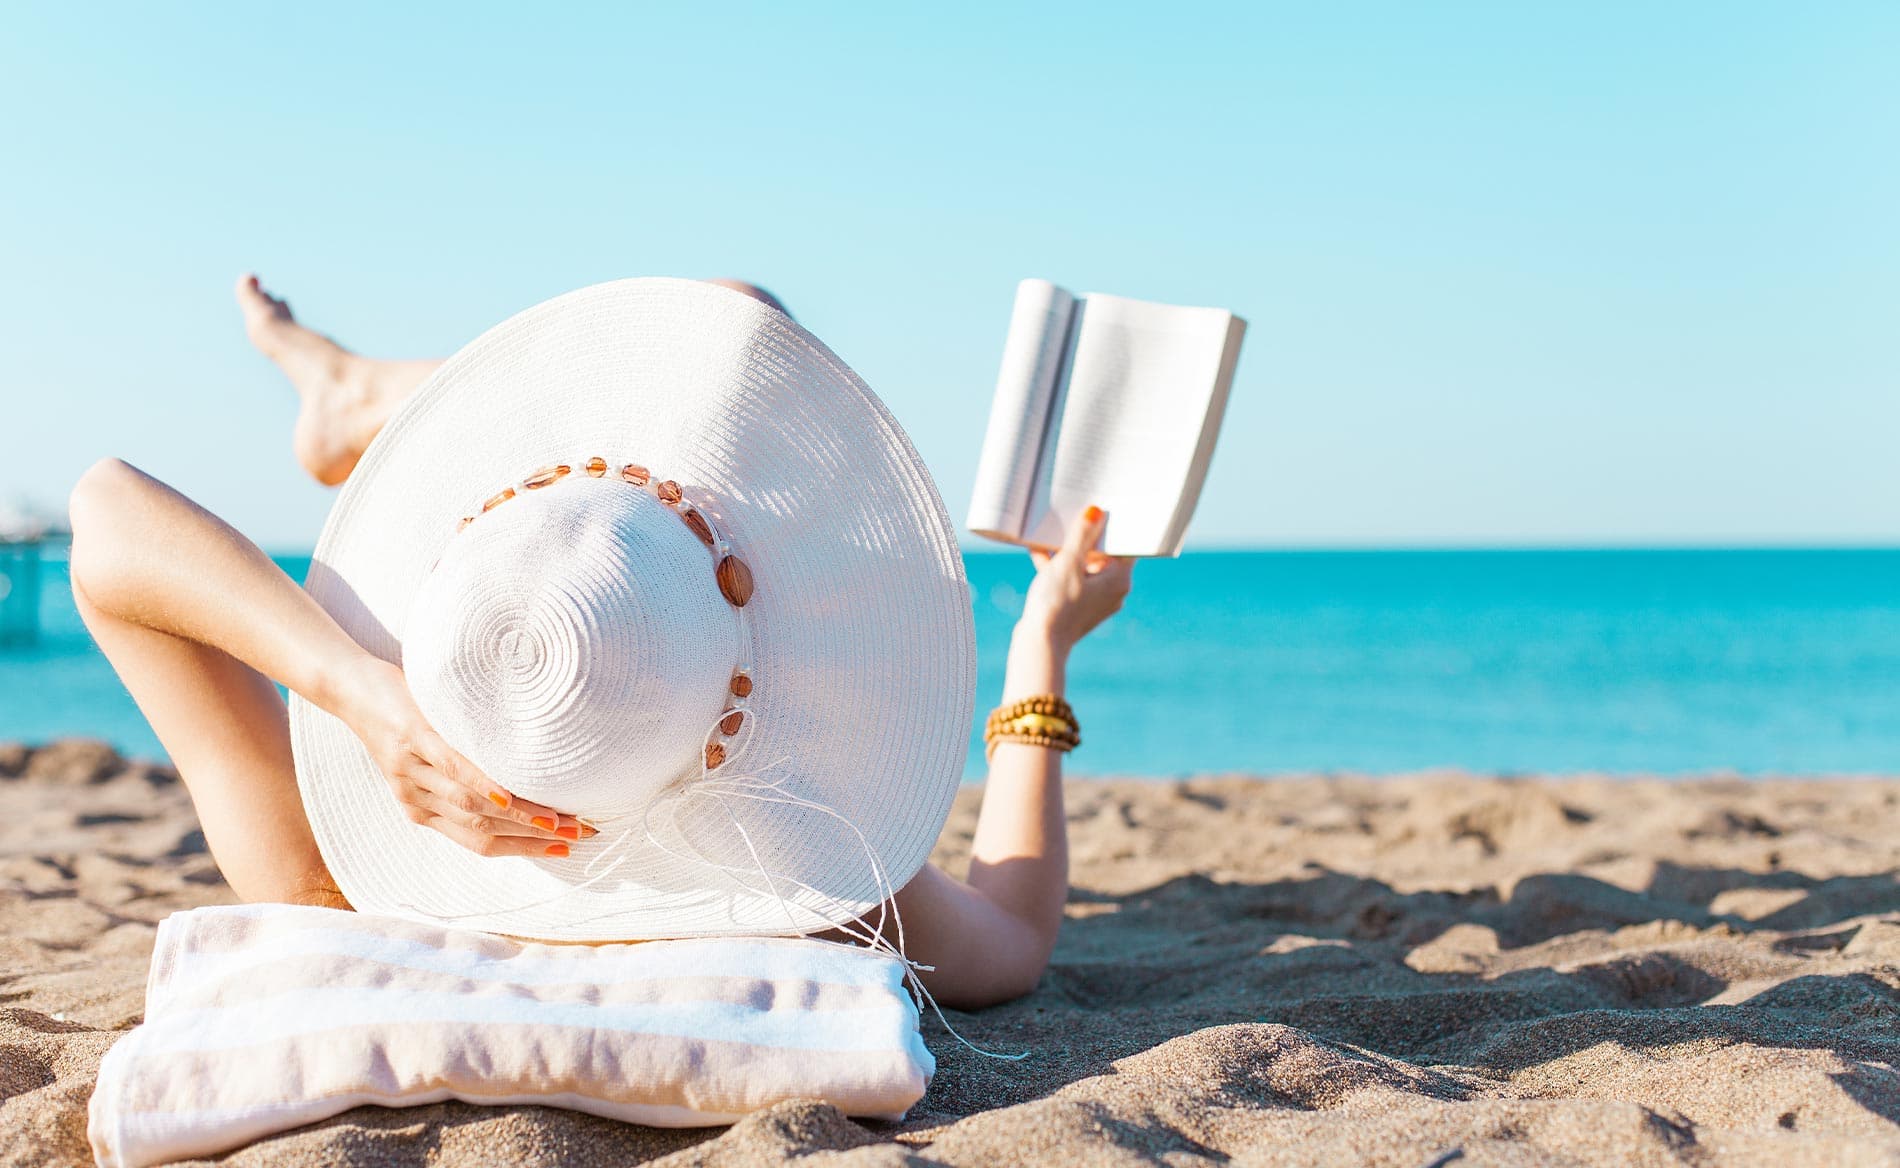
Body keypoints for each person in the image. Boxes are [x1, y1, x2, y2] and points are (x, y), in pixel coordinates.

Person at [67, 276, 1134, 1011]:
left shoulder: (331, 885)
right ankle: (370, 401)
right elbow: (1014, 932)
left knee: (730, 320)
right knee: (738, 315)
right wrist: (1043, 639)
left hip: (406, 723)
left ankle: (363, 400)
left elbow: (107, 512)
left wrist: (358, 692)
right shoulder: (803, 891)